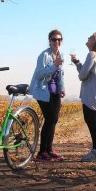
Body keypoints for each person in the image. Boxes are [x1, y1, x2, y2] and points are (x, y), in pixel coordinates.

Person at [30, 29, 66, 161]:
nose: (57, 42)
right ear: (49, 41)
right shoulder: (44, 55)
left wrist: (62, 88)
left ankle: (49, 150)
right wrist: (53, 66)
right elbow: (39, 74)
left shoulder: (60, 54)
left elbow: (60, 73)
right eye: (54, 39)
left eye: (59, 39)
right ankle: (41, 152)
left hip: (55, 91)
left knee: (54, 120)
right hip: (43, 91)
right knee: (49, 119)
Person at [71, 32, 96, 162]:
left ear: (95, 42)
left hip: (90, 95)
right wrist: (77, 62)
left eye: (91, 37)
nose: (88, 38)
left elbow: (82, 76)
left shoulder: (91, 55)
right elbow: (85, 73)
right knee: (94, 123)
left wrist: (77, 64)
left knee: (92, 123)